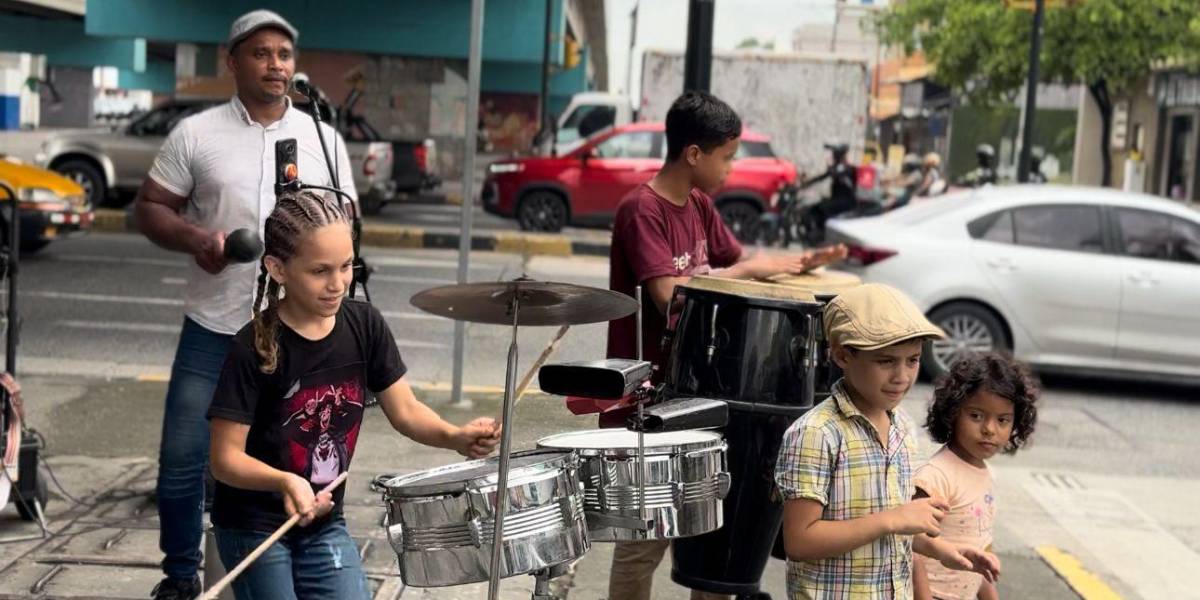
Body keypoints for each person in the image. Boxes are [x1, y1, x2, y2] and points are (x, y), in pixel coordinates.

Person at [134, 9, 357, 598]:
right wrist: (195, 239)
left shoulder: (323, 139)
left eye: (284, 54)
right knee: (184, 457)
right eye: (260, 53)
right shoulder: (196, 134)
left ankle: (290, 557)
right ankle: (181, 574)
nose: (275, 64)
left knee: (299, 456)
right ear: (231, 61)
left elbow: (348, 223)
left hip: (296, 335)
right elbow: (149, 207)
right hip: (214, 323)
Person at [606, 91, 845, 600]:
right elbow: (669, 295)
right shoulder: (641, 210)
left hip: (703, 391)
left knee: (715, 531)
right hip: (653, 394)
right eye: (728, 156)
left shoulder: (699, 206)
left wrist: (799, 265)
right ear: (694, 154)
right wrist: (746, 269)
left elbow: (739, 271)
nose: (731, 169)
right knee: (646, 537)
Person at [208, 190, 501, 599]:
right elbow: (224, 460)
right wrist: (285, 482)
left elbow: (406, 410)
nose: (337, 284)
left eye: (347, 266)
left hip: (324, 521)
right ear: (277, 268)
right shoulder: (253, 347)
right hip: (254, 524)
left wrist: (454, 437)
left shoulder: (365, 325)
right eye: (319, 271)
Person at [774, 284, 1000, 600]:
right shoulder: (816, 433)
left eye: (913, 360)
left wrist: (941, 549)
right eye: (886, 361)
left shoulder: (903, 427)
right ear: (842, 355)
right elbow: (799, 541)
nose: (902, 376)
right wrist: (892, 519)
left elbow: (896, 530)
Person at [913, 353, 1038, 600]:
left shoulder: (987, 473)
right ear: (953, 413)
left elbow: (980, 549)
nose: (990, 429)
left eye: (1003, 420)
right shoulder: (936, 476)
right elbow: (911, 547)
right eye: (976, 416)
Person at [799, 143, 858, 237]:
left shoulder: (846, 168)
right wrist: (804, 184)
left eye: (834, 154)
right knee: (813, 208)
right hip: (837, 199)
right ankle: (815, 233)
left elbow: (836, 174)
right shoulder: (837, 168)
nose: (833, 157)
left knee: (824, 208)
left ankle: (824, 234)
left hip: (846, 201)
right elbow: (822, 177)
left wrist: (833, 171)